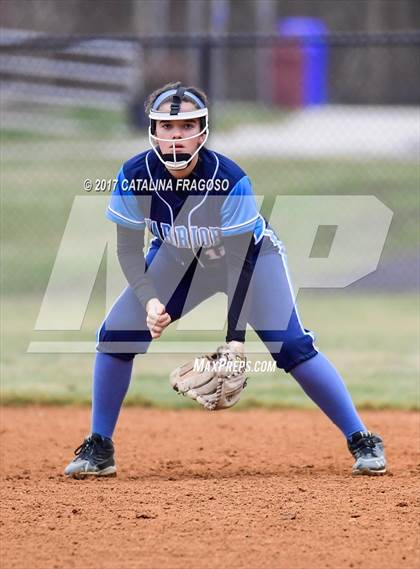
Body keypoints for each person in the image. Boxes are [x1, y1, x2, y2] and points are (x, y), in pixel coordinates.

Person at [64, 82, 387, 478]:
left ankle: (361, 438)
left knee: (291, 347)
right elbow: (129, 251)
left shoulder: (228, 179)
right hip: (177, 259)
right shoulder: (134, 174)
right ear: (153, 130)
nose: (176, 136)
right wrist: (150, 302)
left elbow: (238, 265)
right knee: (116, 335)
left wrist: (235, 341)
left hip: (250, 259)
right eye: (167, 127)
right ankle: (99, 448)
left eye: (186, 126)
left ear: (203, 130)